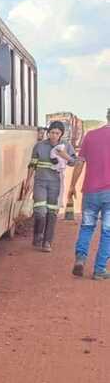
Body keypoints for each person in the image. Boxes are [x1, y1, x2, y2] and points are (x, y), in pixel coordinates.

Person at [69, 108, 110, 280]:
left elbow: (79, 163)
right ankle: (99, 270)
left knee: (87, 227)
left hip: (90, 192)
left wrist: (72, 186)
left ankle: (80, 258)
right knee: (107, 232)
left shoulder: (90, 136)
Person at [27, 121, 74, 252]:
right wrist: (27, 182)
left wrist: (65, 156)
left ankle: (47, 242)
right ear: (48, 132)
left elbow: (73, 162)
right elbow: (32, 165)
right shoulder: (39, 146)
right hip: (40, 182)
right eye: (52, 132)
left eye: (57, 133)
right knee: (40, 212)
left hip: (56, 184)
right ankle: (38, 234)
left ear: (61, 134)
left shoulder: (66, 146)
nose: (54, 135)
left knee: (52, 213)